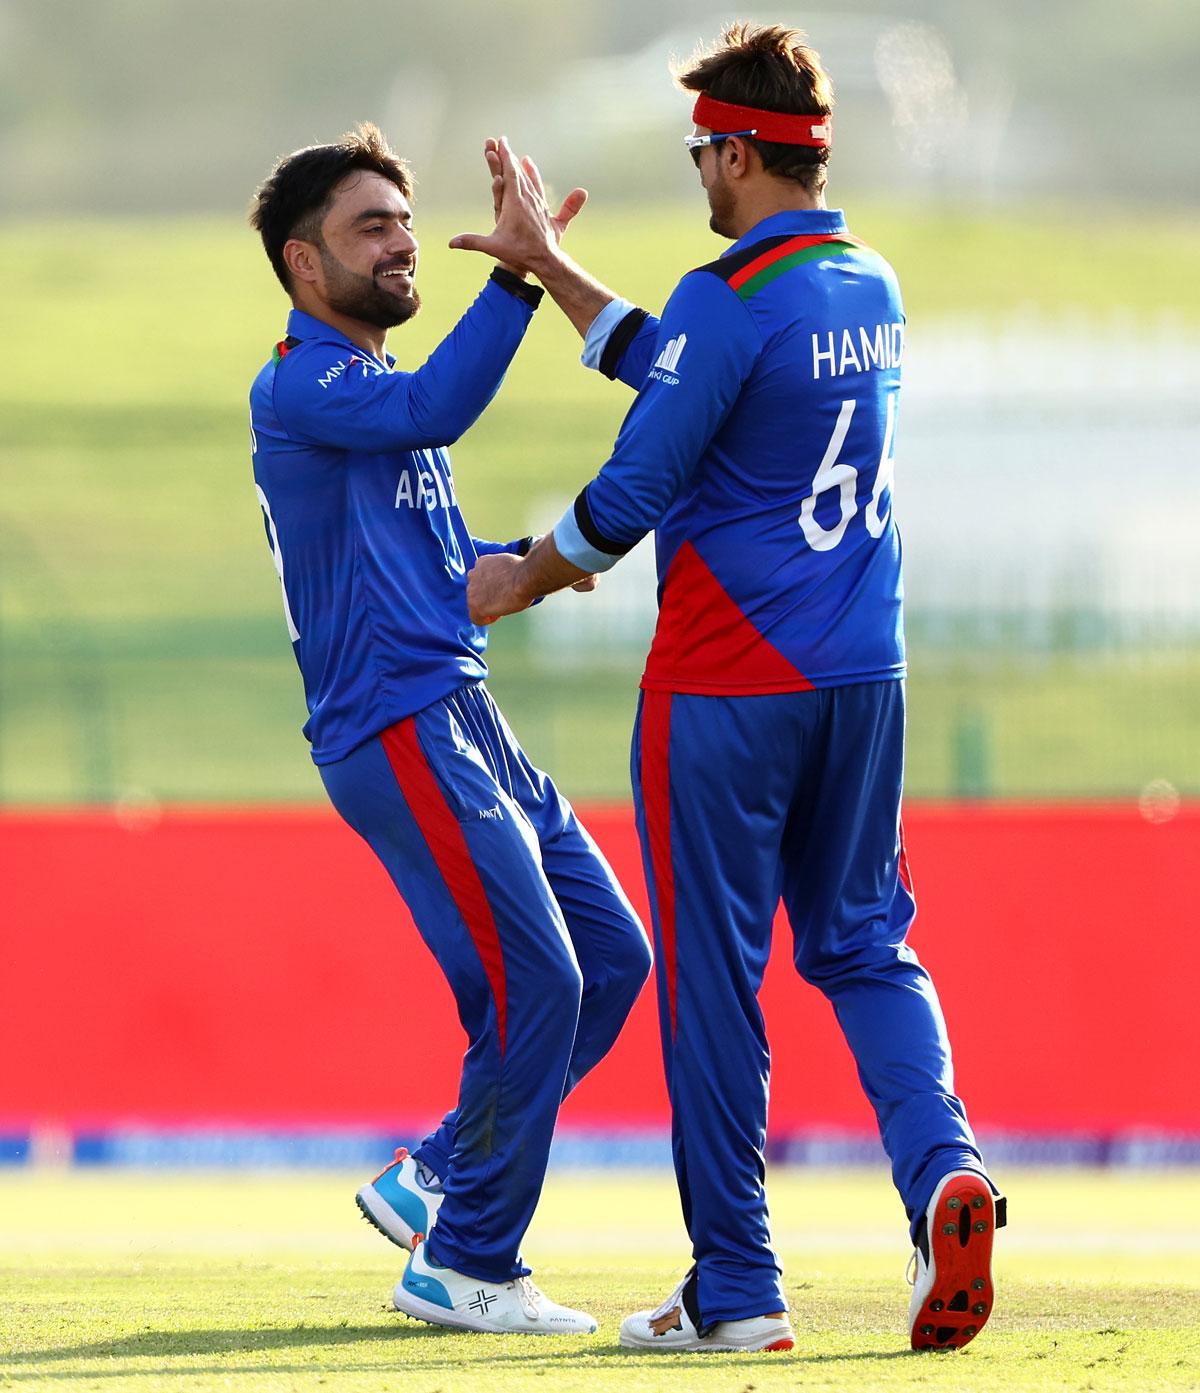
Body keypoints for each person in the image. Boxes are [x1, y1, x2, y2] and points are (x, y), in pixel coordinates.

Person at [462, 24, 1005, 1355]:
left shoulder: (727, 298)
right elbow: (696, 368)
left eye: (703, 150)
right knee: (869, 943)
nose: (698, 172)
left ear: (742, 151)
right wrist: (556, 272)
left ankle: (738, 1286)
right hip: (862, 676)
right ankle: (944, 1171)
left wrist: (520, 577)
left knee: (715, 983)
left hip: (722, 689)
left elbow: (633, 492)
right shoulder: (865, 284)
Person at [246, 123, 651, 1337]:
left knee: (610, 960)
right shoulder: (303, 382)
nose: (404, 244)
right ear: (303, 266)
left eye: (405, 222)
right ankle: (467, 1256)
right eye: (371, 227)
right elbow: (440, 404)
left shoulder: (368, 402)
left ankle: (436, 1175)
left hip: (464, 713)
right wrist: (520, 273)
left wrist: (547, 561)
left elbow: (452, 584)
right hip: (399, 724)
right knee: (540, 982)